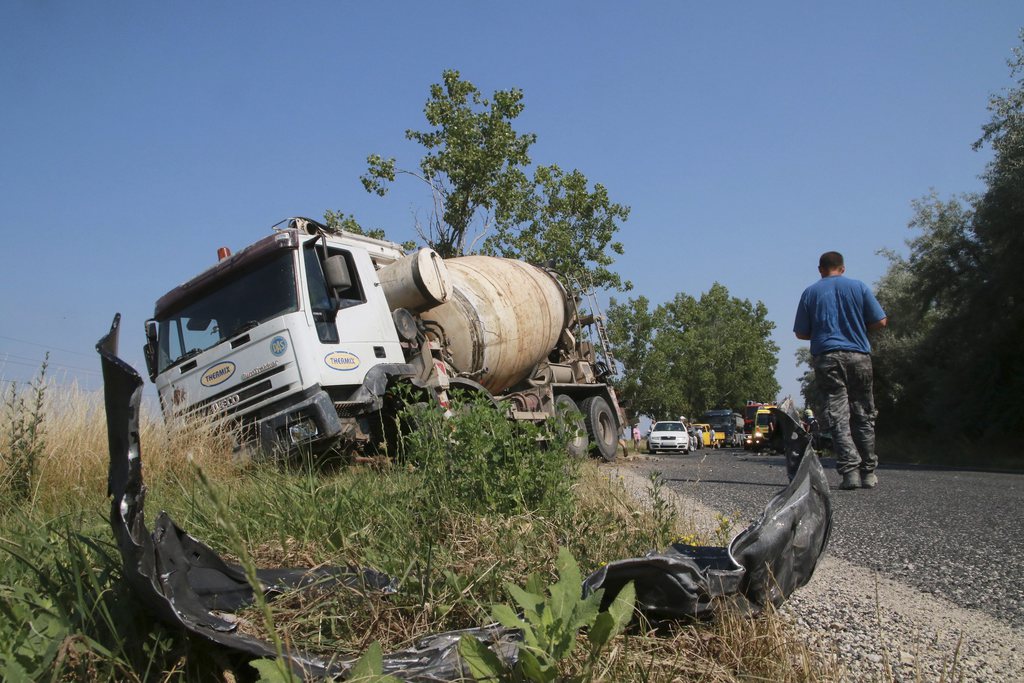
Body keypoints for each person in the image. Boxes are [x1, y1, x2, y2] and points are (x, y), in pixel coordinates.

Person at [794, 251, 887, 490]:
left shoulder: (810, 292)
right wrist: (856, 327)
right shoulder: (859, 287)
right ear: (843, 268)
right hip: (859, 356)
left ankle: (850, 473)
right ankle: (868, 472)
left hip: (827, 358)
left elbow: (801, 332)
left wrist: (824, 331)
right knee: (864, 413)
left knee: (838, 416)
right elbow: (881, 321)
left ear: (820, 269)